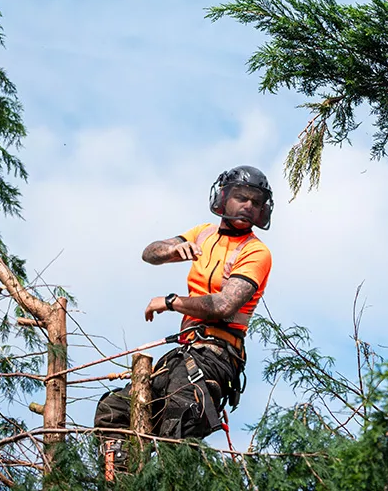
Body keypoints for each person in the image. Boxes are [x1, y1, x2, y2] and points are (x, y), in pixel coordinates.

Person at [94, 165, 273, 464]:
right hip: (185, 352)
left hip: (216, 356)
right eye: (242, 197)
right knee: (114, 409)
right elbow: (149, 252)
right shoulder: (203, 233)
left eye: (256, 202)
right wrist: (170, 252)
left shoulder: (256, 252)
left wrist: (171, 301)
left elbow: (223, 305)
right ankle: (121, 480)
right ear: (224, 197)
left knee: (177, 420)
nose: (248, 206)